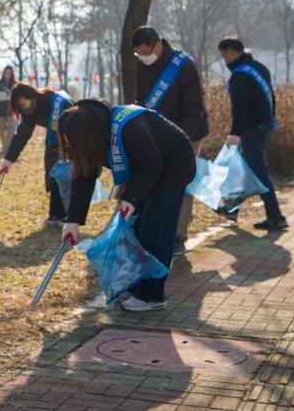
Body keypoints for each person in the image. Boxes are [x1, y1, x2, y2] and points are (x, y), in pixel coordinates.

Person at [58, 99, 195, 311]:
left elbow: (151, 165)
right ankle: (136, 286)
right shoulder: (97, 133)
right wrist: (73, 220)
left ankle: (152, 296)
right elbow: (84, 176)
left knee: (153, 230)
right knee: (134, 230)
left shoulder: (128, 127)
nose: (70, 148)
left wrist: (131, 198)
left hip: (174, 166)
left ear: (88, 136)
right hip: (145, 172)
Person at [132, 26, 209, 257]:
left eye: (147, 52)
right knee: (158, 180)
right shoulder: (141, 65)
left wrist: (182, 141)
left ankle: (178, 235)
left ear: (158, 45)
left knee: (182, 181)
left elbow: (194, 109)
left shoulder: (183, 65)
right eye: (139, 54)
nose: (144, 58)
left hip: (188, 133)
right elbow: (141, 98)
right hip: (157, 132)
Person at [217, 37, 288, 231]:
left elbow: (240, 108)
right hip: (264, 127)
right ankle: (231, 209)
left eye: (224, 57)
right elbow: (271, 99)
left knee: (258, 174)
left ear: (231, 52)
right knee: (242, 170)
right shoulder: (260, 68)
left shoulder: (240, 76)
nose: (225, 61)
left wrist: (236, 133)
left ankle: (276, 217)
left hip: (250, 131)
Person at [0, 82, 73, 226]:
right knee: (53, 175)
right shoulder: (29, 111)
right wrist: (8, 160)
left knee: (65, 177)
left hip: (70, 140)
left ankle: (69, 216)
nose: (22, 106)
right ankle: (55, 214)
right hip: (53, 142)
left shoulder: (54, 100)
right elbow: (22, 136)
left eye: (22, 101)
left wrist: (67, 147)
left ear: (29, 94)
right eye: (18, 105)